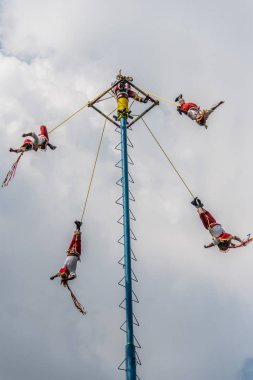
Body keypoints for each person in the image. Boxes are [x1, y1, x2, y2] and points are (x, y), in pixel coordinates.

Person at [50, 221, 82, 286]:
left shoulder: (63, 268)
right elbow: (74, 277)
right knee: (77, 239)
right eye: (65, 274)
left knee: (73, 239)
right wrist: (66, 280)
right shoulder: (71, 271)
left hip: (70, 252)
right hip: (76, 253)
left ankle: (77, 226)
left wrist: (53, 276)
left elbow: (58, 274)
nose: (64, 272)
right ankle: (78, 226)